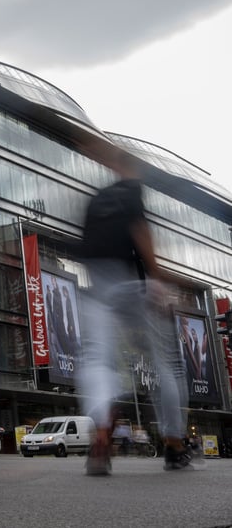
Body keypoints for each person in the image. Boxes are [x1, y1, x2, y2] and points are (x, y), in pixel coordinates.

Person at [74, 143, 192, 475]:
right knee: (166, 364)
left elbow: (86, 249)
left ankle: (101, 430)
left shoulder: (96, 200)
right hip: (134, 282)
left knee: (97, 358)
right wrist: (157, 279)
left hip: (98, 286)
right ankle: (174, 444)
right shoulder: (131, 190)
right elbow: (139, 232)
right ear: (134, 169)